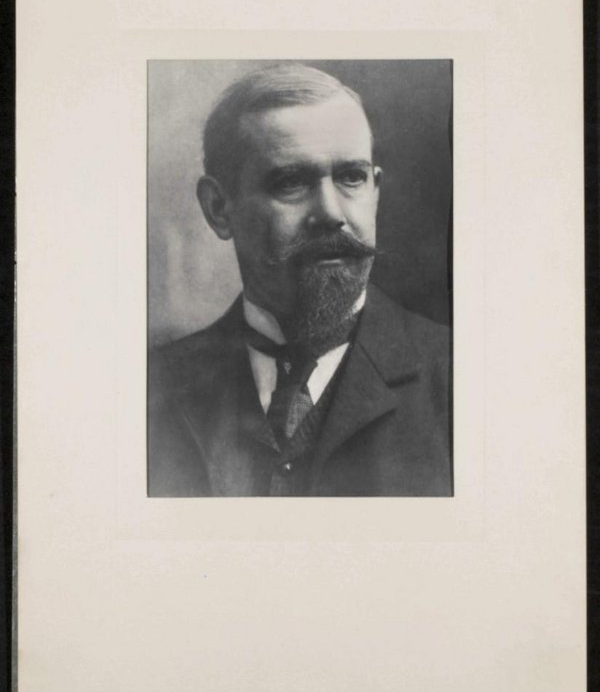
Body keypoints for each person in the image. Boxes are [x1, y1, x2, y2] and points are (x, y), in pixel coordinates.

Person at [148, 63, 451, 497]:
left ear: (375, 190)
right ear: (218, 208)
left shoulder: (459, 379)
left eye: (351, 177)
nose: (330, 213)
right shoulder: (151, 389)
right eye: (290, 182)